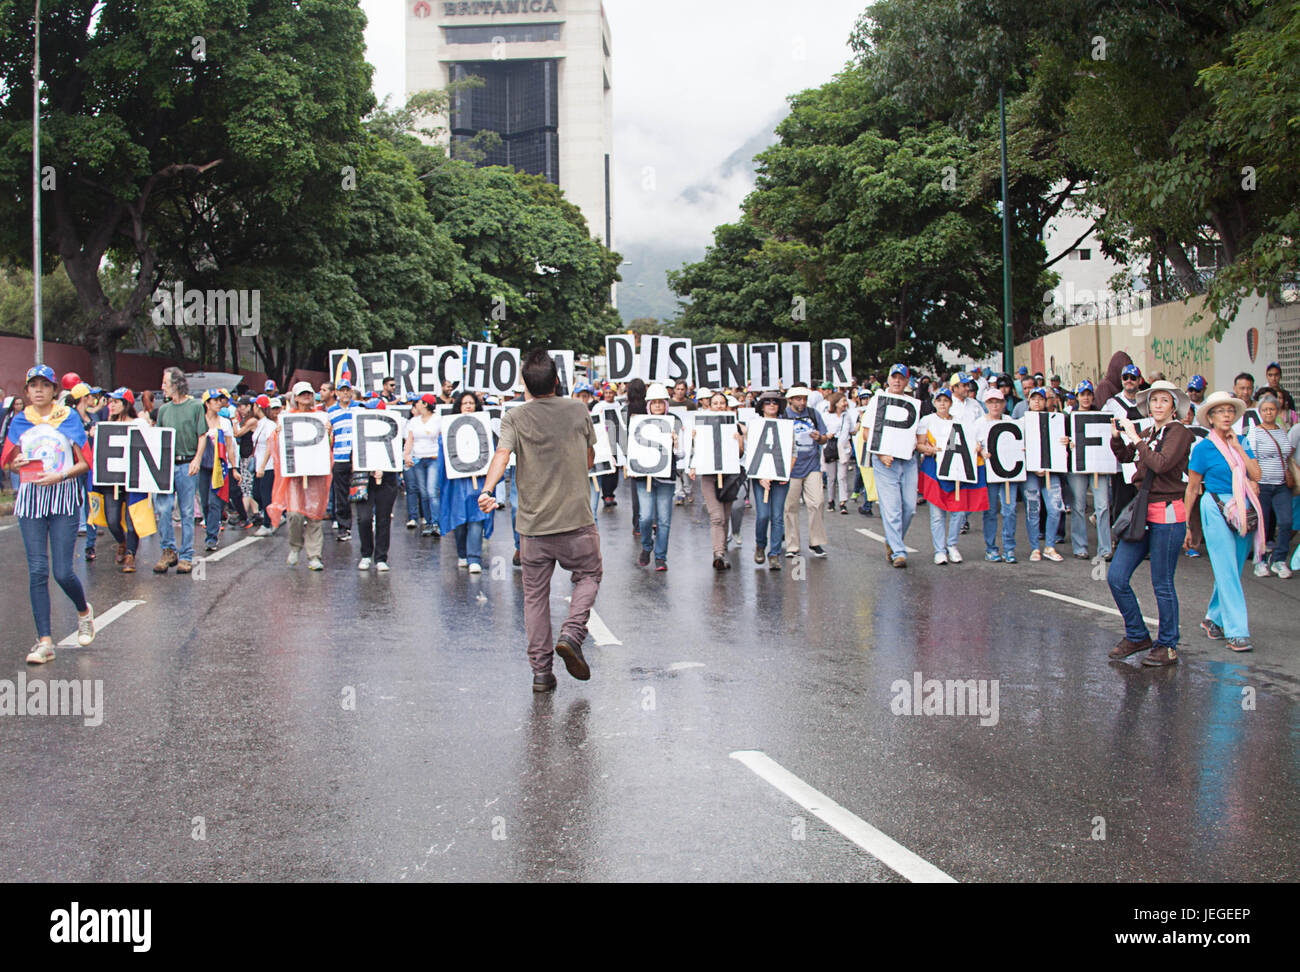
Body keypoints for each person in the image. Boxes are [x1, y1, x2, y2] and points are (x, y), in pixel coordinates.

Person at [478, 349, 600, 693]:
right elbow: (590, 458)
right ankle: (573, 632)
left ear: (524, 384)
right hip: (576, 520)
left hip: (532, 527)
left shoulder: (514, 417)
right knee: (589, 575)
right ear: (558, 380)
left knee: (534, 597)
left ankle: (541, 674)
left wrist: (488, 490)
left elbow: (502, 455)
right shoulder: (578, 409)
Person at [2, 365, 95, 663]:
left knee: (62, 572)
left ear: (55, 390)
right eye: (33, 385)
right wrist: (16, 464)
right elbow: (10, 460)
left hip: (63, 498)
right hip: (31, 501)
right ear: (27, 391)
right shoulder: (20, 420)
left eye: (45, 384)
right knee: (38, 570)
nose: (39, 389)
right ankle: (44, 641)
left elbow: (84, 462)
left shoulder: (67, 418)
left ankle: (83, 610)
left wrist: (61, 475)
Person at [1106, 381, 1194, 666]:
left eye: (1163, 400)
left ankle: (1167, 644)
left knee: (1162, 582)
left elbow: (1160, 464)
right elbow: (1127, 457)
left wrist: (1136, 438)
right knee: (1116, 577)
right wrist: (1118, 437)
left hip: (1168, 512)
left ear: (1173, 406)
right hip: (1144, 510)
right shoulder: (1150, 432)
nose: (1157, 405)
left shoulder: (1179, 432)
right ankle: (1137, 634)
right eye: (1153, 400)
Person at [1186, 390, 1265, 652]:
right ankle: (1237, 631)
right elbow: (1193, 488)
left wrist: (1239, 448)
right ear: (1210, 417)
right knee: (1227, 568)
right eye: (1220, 411)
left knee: (1233, 568)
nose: (1227, 415)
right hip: (1214, 506)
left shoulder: (1242, 440)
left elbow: (1256, 473)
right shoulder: (1203, 448)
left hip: (1242, 506)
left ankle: (1213, 619)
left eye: (1230, 411)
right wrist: (1187, 525)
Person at [88, 388, 156, 573]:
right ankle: (122, 542)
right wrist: (95, 435)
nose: (112, 405)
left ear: (126, 404)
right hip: (112, 480)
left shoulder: (139, 423)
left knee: (133, 519)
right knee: (112, 520)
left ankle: (130, 555)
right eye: (111, 402)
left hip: (134, 479)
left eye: (116, 401)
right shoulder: (105, 426)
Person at [267, 382, 331, 570]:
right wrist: (277, 435)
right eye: (301, 394)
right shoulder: (285, 418)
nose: (305, 397)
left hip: (316, 474)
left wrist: (328, 433)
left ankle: (314, 555)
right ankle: (295, 546)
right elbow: (277, 448)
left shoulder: (320, 417)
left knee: (315, 514)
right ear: (295, 397)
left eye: (308, 394)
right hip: (295, 476)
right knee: (294, 514)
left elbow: (327, 446)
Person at [152, 367, 208, 574]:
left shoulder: (195, 406)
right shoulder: (164, 410)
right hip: (166, 465)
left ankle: (186, 555)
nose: (162, 387)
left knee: (185, 511)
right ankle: (168, 550)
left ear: (176, 384)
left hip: (186, 463)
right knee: (164, 510)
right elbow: (158, 437)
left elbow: (202, 435)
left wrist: (197, 459)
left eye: (165, 383)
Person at [438, 391, 495, 573]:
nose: (469, 406)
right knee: (460, 522)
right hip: (458, 484)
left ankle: (474, 558)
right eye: (465, 403)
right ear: (459, 407)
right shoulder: (449, 429)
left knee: (477, 519)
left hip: (478, 481)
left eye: (471, 403)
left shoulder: (484, 428)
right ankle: (462, 553)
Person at [689, 390, 747, 570]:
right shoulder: (701, 425)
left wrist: (740, 440)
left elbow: (739, 454)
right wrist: (693, 464)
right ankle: (718, 554)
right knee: (717, 517)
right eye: (715, 403)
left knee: (726, 516)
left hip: (729, 476)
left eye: (722, 403)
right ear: (710, 405)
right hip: (709, 476)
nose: (719, 406)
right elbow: (697, 448)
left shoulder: (735, 425)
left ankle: (721, 547)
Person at [871, 365, 919, 567]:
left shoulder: (913, 403)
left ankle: (892, 540)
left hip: (907, 459)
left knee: (909, 507)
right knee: (892, 509)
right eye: (894, 377)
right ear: (888, 379)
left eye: (901, 378)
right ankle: (899, 552)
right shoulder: (877, 400)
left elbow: (916, 434)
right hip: (885, 460)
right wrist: (881, 453)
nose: (897, 381)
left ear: (907, 381)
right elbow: (867, 432)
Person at [634, 383, 686, 571]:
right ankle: (647, 546)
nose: (657, 406)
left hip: (666, 478)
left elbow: (681, 456)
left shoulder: (674, 421)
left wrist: (676, 443)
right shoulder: (639, 421)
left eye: (660, 403)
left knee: (664, 519)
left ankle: (661, 557)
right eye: (653, 403)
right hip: (644, 477)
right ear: (648, 404)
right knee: (646, 517)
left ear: (666, 404)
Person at [1064, 380, 1112, 562]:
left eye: (1088, 394)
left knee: (1103, 505)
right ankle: (1080, 546)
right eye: (1082, 394)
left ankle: (1105, 547)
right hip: (1077, 466)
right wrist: (1068, 443)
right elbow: (1062, 441)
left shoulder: (1101, 415)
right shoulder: (1069, 418)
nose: (1085, 398)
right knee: (1078, 505)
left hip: (1098, 465)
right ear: (1077, 397)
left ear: (1092, 396)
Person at [1248, 394, 1293, 578]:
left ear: (1277, 411)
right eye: (1265, 409)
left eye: (1272, 409)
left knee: (1286, 521)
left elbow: (1287, 455)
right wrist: (1253, 481)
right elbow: (1251, 458)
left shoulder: (1281, 431)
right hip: (1263, 485)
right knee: (1263, 526)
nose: (1268, 413)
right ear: (1260, 412)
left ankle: (1279, 560)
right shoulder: (1255, 432)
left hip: (1281, 484)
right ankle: (1260, 560)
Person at [782, 386, 830, 559]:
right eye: (798, 399)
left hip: (812, 465)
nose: (802, 402)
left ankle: (815, 541)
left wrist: (819, 438)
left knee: (817, 502)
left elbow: (825, 437)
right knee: (790, 507)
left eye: (804, 398)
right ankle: (792, 545)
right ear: (790, 400)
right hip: (791, 467)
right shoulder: (784, 416)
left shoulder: (813, 414)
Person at [975, 388, 1018, 562]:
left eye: (998, 402)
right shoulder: (978, 424)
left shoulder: (1010, 421)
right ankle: (991, 547)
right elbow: (971, 446)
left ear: (1003, 404)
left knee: (1010, 509)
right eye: (991, 402)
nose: (995, 405)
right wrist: (979, 451)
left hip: (1009, 473)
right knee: (991, 511)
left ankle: (1009, 548)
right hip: (989, 472)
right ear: (986, 404)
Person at [1023, 387, 1065, 562]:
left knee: (1055, 508)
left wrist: (1066, 442)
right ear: (1029, 401)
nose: (1037, 402)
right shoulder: (1022, 422)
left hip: (1051, 470)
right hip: (1031, 473)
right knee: (1033, 509)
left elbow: (1061, 442)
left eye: (1041, 399)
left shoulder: (1056, 420)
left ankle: (1049, 546)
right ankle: (1035, 548)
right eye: (1034, 399)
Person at [195, 389, 236, 553]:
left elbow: (229, 447)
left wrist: (234, 468)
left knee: (214, 501)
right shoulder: (199, 421)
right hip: (202, 467)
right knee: (204, 501)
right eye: (215, 400)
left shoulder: (225, 422)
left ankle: (211, 537)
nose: (219, 403)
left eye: (221, 400)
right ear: (207, 403)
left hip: (219, 467)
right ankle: (211, 524)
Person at [404, 393, 442, 538]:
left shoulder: (438, 420)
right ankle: (428, 521)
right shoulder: (414, 421)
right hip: (418, 458)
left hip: (433, 458)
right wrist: (407, 455)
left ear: (425, 404)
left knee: (432, 491)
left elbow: (443, 437)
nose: (416, 405)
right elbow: (410, 439)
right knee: (423, 492)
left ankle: (436, 523)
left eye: (418, 402)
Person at [327, 380, 359, 542]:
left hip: (358, 457)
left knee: (361, 491)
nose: (345, 394)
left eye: (348, 390)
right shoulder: (331, 412)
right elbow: (328, 435)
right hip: (340, 456)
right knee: (341, 494)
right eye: (342, 391)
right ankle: (343, 527)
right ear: (337, 393)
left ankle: (364, 522)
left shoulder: (359, 408)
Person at [251, 396, 281, 536]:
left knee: (265, 494)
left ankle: (267, 524)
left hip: (268, 465)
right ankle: (276, 514)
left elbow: (270, 446)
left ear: (257, 406)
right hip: (259, 464)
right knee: (257, 493)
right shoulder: (260, 423)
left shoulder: (269, 425)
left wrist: (262, 466)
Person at [822, 395, 854, 514]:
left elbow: (852, 430)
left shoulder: (847, 416)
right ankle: (831, 500)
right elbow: (822, 431)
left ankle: (843, 502)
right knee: (831, 477)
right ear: (835, 403)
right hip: (830, 447)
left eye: (846, 400)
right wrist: (827, 435)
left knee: (842, 476)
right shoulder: (826, 416)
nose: (845, 403)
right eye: (843, 401)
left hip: (843, 449)